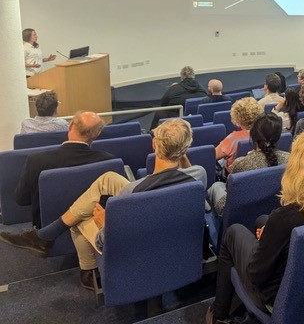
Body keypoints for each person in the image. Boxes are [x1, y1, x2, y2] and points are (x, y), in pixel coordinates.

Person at [0, 118, 206, 291]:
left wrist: (105, 224)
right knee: (108, 178)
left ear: (154, 144)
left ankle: (86, 270)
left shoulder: (132, 192)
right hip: (168, 225)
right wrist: (180, 154)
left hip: (135, 244)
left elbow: (103, 241)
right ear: (185, 149)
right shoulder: (200, 175)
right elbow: (179, 174)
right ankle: (46, 235)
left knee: (82, 218)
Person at [205, 129, 304, 324]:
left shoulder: (284, 219)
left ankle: (218, 315)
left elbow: (256, 274)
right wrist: (269, 236)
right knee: (263, 220)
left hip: (279, 299)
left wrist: (264, 243)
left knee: (233, 233)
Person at [15, 111, 113, 228]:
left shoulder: (36, 160)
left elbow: (22, 199)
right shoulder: (108, 161)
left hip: (46, 233)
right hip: (90, 227)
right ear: (97, 134)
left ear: (71, 125)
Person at [210, 113, 289, 216]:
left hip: (241, 212)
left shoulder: (241, 163)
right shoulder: (290, 159)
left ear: (252, 135)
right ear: (278, 136)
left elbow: (231, 192)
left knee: (217, 185)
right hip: (276, 208)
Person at [216, 97, 262, 175]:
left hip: (233, 176)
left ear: (237, 118)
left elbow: (213, 155)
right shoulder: (266, 133)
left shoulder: (234, 138)